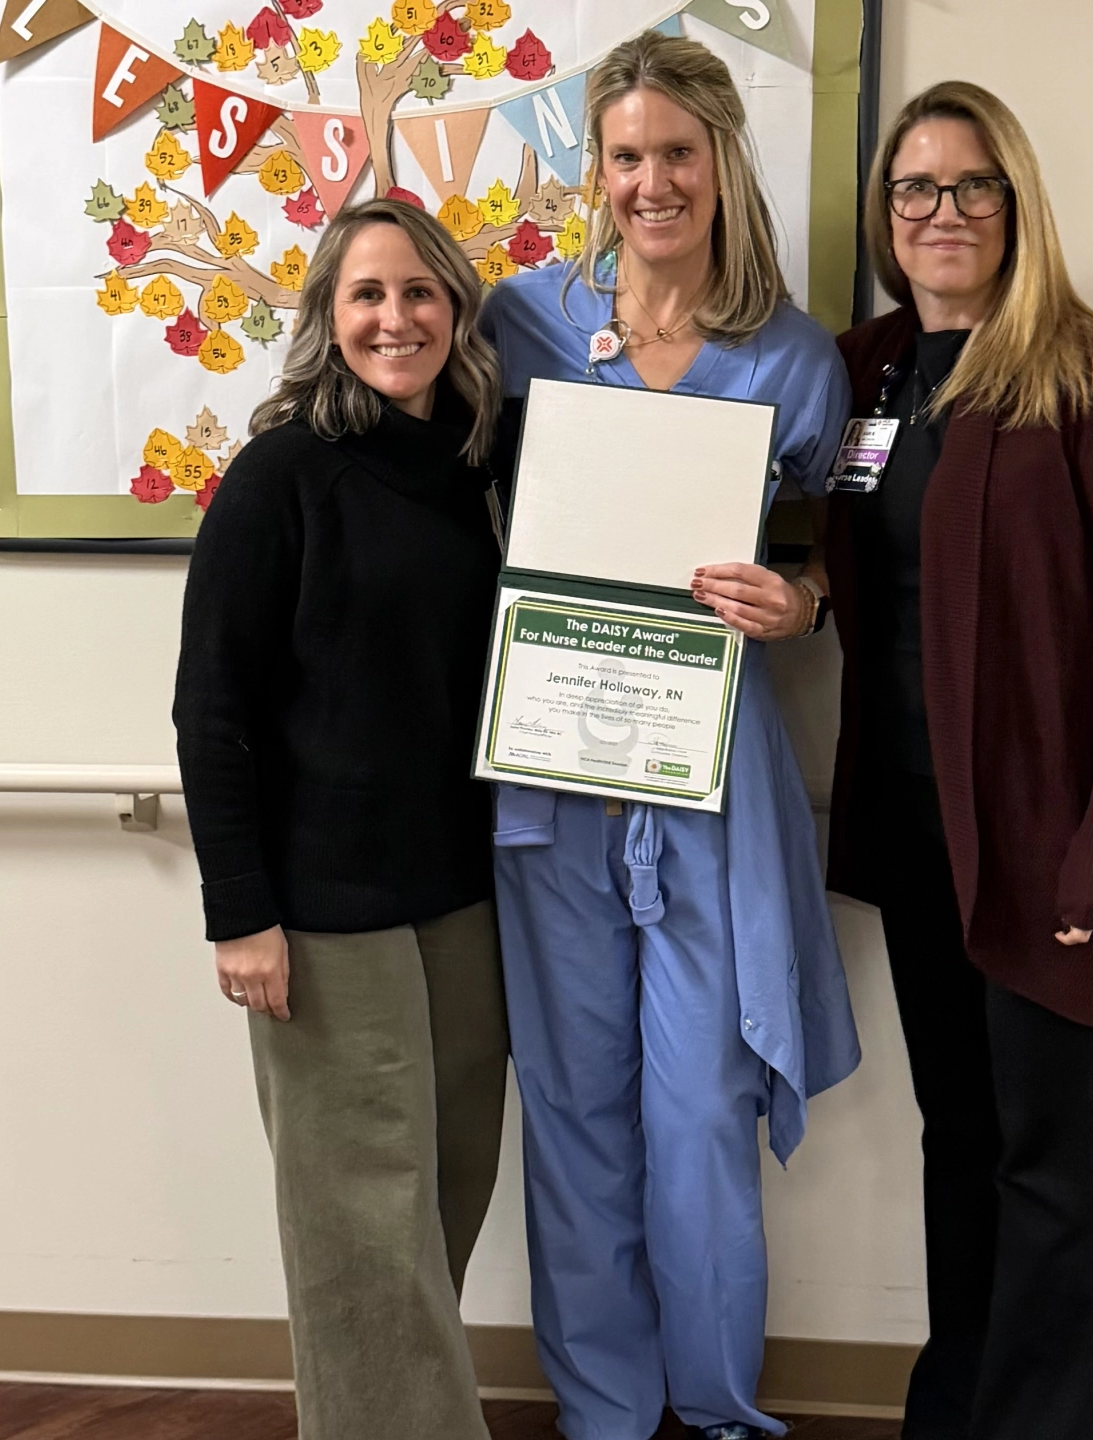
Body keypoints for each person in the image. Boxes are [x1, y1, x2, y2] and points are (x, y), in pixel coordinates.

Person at [480, 31, 860, 1440]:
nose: (652, 181)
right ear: (596, 165)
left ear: (721, 161)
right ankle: (603, 1412)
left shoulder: (792, 357)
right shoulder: (517, 321)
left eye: (677, 154)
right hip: (555, 772)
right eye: (626, 154)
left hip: (710, 777)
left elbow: (835, 550)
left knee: (699, 1113)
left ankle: (711, 1408)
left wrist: (801, 597)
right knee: (573, 1111)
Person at [825, 82, 1093, 1440]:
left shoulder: (1089, 376)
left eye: (973, 186)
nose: (943, 213)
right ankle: (958, 1405)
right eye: (916, 189)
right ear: (886, 216)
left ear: (1017, 204)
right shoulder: (866, 373)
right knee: (957, 1141)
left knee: (1043, 1156)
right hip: (918, 827)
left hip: (1046, 842)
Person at [173, 198, 509, 1440]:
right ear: (326, 317)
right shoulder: (278, 478)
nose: (396, 318)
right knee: (361, 1227)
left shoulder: (479, 465)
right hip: (323, 918)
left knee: (444, 1196)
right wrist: (242, 915)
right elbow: (211, 708)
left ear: (458, 312)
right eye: (366, 295)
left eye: (421, 292)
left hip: (467, 900)